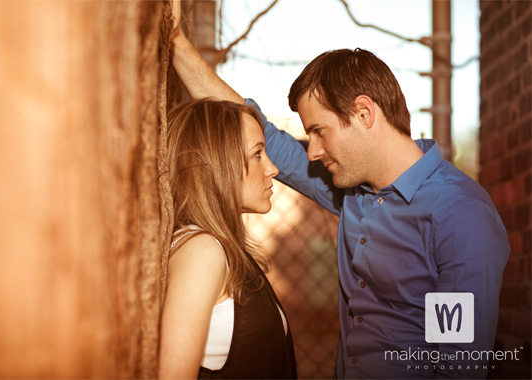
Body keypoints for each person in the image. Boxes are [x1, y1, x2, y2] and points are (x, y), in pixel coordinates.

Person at [169, 2, 510, 379]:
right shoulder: (350, 189)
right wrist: (176, 43)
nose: (311, 151)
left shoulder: (460, 214)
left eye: (319, 131)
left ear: (364, 114)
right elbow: (250, 132)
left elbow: (458, 365)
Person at [158, 98, 297, 379]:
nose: (273, 169)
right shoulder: (202, 251)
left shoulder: (220, 247)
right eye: (257, 154)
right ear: (217, 163)